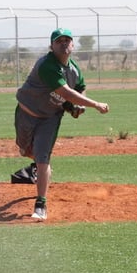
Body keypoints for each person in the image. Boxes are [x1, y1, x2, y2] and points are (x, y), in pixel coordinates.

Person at [12, 27, 110, 221]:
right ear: (52, 46)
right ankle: (36, 169)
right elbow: (65, 93)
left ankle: (41, 204)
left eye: (67, 40)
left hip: (49, 118)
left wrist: (75, 107)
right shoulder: (47, 64)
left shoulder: (74, 70)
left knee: (42, 157)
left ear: (73, 45)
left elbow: (78, 89)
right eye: (59, 41)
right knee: (25, 151)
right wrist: (94, 104)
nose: (64, 44)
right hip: (26, 113)